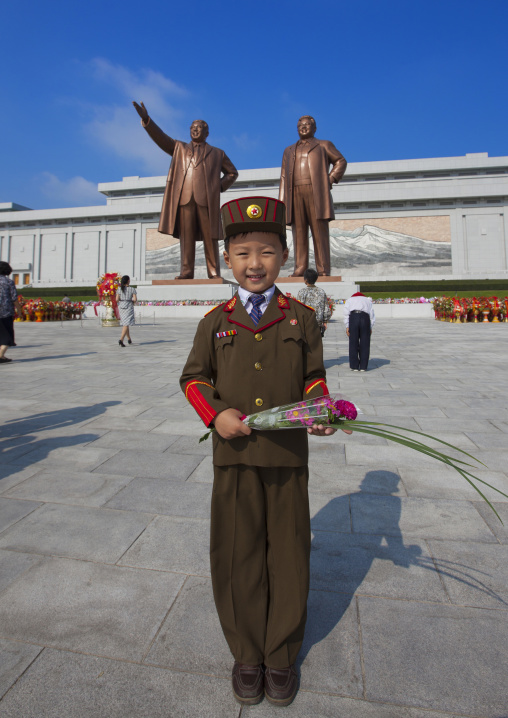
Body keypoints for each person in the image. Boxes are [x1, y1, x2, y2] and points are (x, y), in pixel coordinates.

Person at [180, 196, 349, 707]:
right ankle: (247, 652)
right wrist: (215, 414)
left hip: (286, 460)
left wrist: (319, 410)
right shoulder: (216, 321)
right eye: (244, 253)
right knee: (238, 556)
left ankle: (280, 655)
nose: (255, 263)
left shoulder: (301, 319)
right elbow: (193, 378)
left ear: (285, 255)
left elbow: (314, 377)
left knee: (290, 556)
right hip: (233, 460)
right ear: (228, 260)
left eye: (268, 252)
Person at [133, 101, 238, 279]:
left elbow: (232, 173)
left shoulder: (217, 153)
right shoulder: (179, 148)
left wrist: (217, 187)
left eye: (199, 128)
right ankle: (186, 271)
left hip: (206, 200)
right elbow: (161, 138)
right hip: (185, 198)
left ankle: (213, 272)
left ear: (207, 133)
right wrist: (147, 120)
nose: (195, 130)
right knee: (186, 238)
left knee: (210, 237)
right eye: (192, 127)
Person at [279, 115, 347, 276]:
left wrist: (329, 179)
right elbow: (283, 176)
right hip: (294, 192)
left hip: (316, 191)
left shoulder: (323, 145)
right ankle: (300, 268)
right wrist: (281, 203)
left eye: (307, 125)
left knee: (319, 232)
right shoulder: (288, 150)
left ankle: (323, 269)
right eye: (300, 126)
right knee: (299, 232)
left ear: (314, 128)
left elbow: (341, 161)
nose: (303, 127)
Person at [343, 291, 376, 371]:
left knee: (353, 342)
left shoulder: (350, 300)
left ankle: (354, 366)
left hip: (354, 317)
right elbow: (372, 314)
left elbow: (346, 313)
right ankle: (363, 366)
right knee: (365, 342)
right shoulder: (367, 300)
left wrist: (347, 326)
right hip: (365, 318)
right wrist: (370, 326)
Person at [297, 268, 332, 337]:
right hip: (317, 323)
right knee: (316, 345)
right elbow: (326, 309)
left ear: (306, 279)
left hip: (305, 323)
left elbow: (298, 308)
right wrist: (325, 321)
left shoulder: (302, 292)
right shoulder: (321, 291)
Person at [0, 261, 22, 364]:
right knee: (7, 336)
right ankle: (1, 356)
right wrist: (19, 310)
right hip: (6, 312)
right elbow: (14, 298)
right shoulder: (9, 282)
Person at [116, 275, 137, 347]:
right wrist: (131, 301)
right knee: (126, 323)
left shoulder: (119, 289)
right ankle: (121, 339)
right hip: (128, 306)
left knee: (125, 322)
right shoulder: (132, 289)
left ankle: (129, 338)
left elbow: (117, 299)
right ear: (128, 281)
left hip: (121, 306)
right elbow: (135, 299)